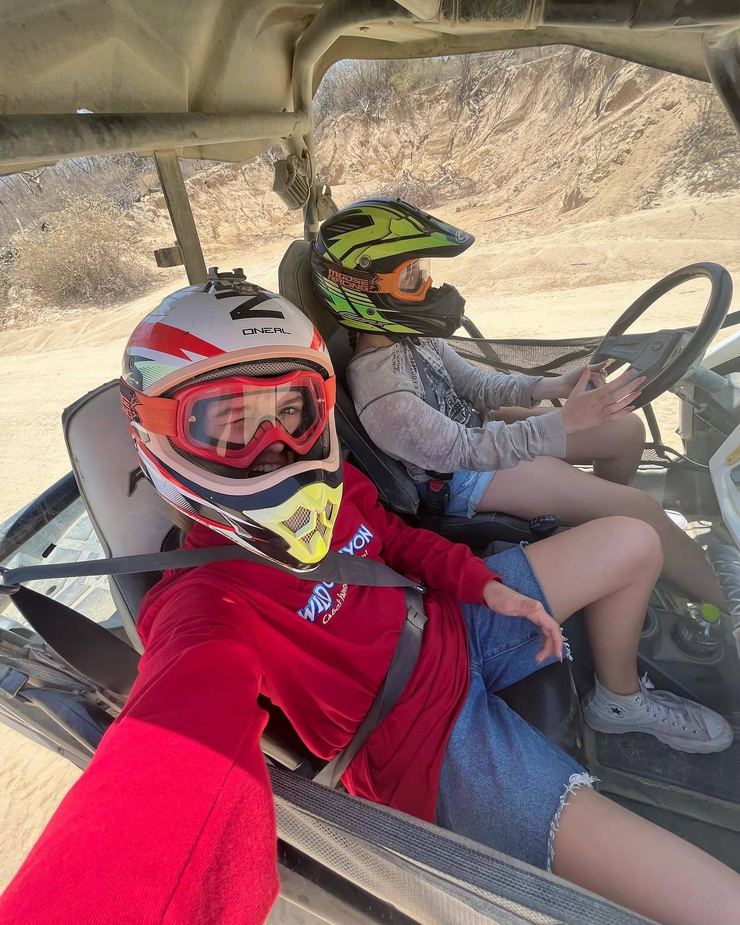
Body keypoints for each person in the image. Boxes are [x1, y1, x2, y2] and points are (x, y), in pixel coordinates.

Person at [1, 280, 736, 925]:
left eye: (291, 411)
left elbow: (396, 540)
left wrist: (484, 585)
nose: (274, 446)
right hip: (427, 746)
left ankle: (619, 701)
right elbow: (165, 774)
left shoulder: (335, 485)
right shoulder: (202, 605)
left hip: (455, 623)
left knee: (632, 539)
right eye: (230, 423)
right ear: (162, 435)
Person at [311, 197, 727, 610]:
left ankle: (607, 539)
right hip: (462, 476)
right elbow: (465, 452)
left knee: (626, 430)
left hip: (481, 435)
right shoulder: (381, 391)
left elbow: (477, 384)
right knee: (642, 508)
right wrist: (564, 422)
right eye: (409, 277)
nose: (427, 286)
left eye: (422, 271)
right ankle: (728, 605)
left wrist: (552, 385)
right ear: (361, 288)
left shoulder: (410, 337)